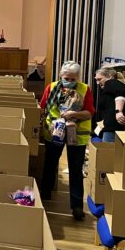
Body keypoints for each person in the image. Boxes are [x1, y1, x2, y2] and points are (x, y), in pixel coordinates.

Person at [40, 61, 95, 220]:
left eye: (72, 79)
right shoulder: (51, 87)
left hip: (76, 135)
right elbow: (43, 107)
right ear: (60, 76)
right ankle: (45, 194)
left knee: (76, 170)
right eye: (66, 78)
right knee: (50, 164)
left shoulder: (85, 89)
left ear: (78, 77)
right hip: (54, 133)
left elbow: (89, 112)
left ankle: (77, 206)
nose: (69, 82)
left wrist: (73, 114)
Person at [94, 67, 125, 142]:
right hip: (112, 127)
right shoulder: (113, 85)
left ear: (109, 76)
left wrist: (118, 111)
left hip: (113, 128)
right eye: (96, 80)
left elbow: (120, 93)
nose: (97, 83)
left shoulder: (111, 82)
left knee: (107, 152)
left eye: (99, 79)